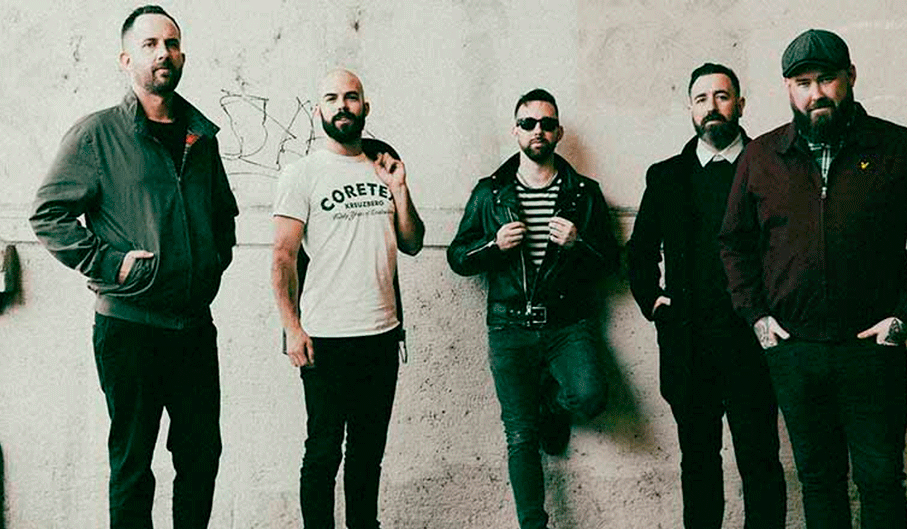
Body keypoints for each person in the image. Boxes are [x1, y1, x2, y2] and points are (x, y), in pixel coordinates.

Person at [719, 29, 907, 528]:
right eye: (803, 83)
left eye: (826, 79)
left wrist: (902, 318)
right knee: (819, 482)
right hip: (795, 352)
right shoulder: (762, 156)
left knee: (881, 479)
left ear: (850, 77)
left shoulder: (897, 148)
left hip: (872, 351)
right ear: (788, 89)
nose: (816, 94)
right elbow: (734, 243)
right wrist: (758, 317)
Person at [30, 5, 238, 528]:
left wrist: (211, 263)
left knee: (201, 458)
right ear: (126, 60)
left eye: (171, 43)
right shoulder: (98, 135)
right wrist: (111, 264)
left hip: (194, 330)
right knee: (132, 465)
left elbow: (223, 216)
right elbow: (48, 215)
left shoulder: (201, 136)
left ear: (182, 56)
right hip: (129, 329)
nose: (163, 53)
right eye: (149, 45)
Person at [447, 89, 618, 529]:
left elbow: (612, 262)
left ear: (558, 132)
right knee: (520, 434)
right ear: (515, 131)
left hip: (567, 323)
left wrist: (578, 244)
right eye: (528, 123)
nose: (537, 130)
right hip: (509, 326)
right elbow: (458, 257)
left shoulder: (584, 193)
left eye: (546, 124)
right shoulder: (490, 193)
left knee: (591, 396)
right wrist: (493, 245)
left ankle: (553, 406)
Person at [627, 63, 786, 528]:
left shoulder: (770, 167)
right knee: (697, 462)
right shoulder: (666, 176)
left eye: (722, 96)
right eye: (701, 98)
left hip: (752, 343)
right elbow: (639, 251)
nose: (712, 106)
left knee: (760, 459)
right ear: (690, 109)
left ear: (740, 104)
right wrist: (654, 303)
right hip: (688, 343)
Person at [271, 68, 425, 529]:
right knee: (322, 454)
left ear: (365, 107)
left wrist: (399, 188)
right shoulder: (302, 173)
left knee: (367, 454)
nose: (342, 106)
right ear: (318, 109)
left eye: (351, 97)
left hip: (381, 335)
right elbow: (282, 256)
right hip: (325, 338)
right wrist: (292, 328)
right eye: (332, 98)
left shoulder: (384, 167)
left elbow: (413, 242)